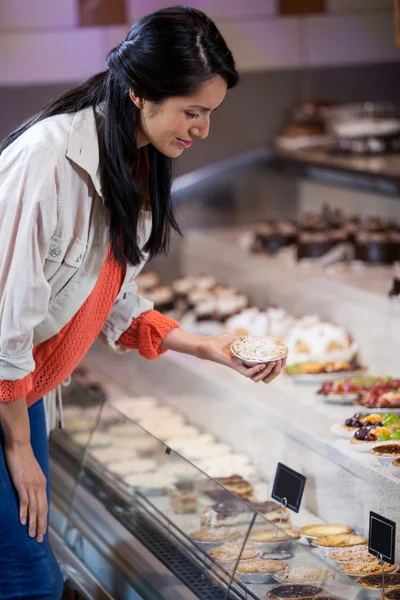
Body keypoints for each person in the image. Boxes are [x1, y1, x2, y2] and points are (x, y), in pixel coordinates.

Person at [0, 6, 286, 599]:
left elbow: (111, 296)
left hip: (20, 389)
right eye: (194, 112)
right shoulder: (48, 159)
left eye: (209, 113)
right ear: (139, 94)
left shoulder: (135, 157)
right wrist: (20, 449)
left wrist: (208, 347)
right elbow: (5, 324)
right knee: (28, 579)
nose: (202, 129)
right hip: (6, 383)